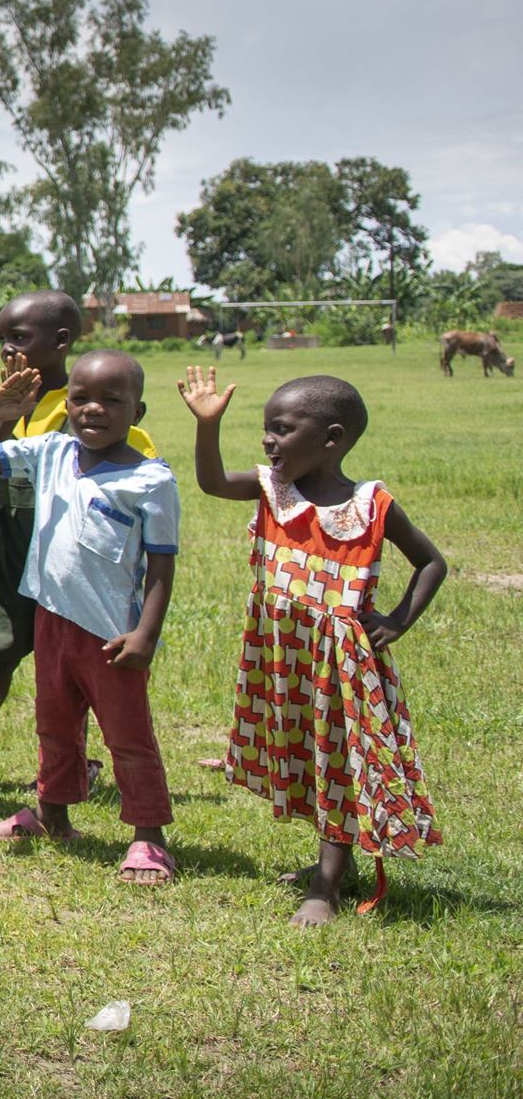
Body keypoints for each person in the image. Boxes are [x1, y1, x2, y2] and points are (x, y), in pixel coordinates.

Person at [178, 367, 447, 924]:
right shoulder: (273, 489)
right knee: (305, 758)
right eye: (266, 428)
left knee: (338, 766)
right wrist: (208, 426)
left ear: (332, 438)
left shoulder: (373, 505)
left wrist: (397, 620)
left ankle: (324, 887)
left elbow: (431, 562)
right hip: (283, 656)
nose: (268, 440)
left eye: (282, 428)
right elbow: (210, 483)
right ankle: (330, 865)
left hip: (342, 664)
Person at [0, 352, 180, 884]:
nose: (94, 409)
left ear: (138, 411)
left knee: (127, 734)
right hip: (51, 619)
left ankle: (148, 835)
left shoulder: (151, 480)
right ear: (65, 406)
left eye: (113, 400)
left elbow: (161, 564)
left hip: (112, 632)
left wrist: (146, 635)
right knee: (55, 726)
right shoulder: (52, 452)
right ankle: (51, 815)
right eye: (82, 398)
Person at [0, 291, 155, 781]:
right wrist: (4, 410)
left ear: (62, 340)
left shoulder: (87, 402)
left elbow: (134, 476)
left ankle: (79, 765)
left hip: (74, 556)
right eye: (1, 340)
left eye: (20, 338)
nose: (8, 349)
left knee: (80, 664)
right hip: (14, 542)